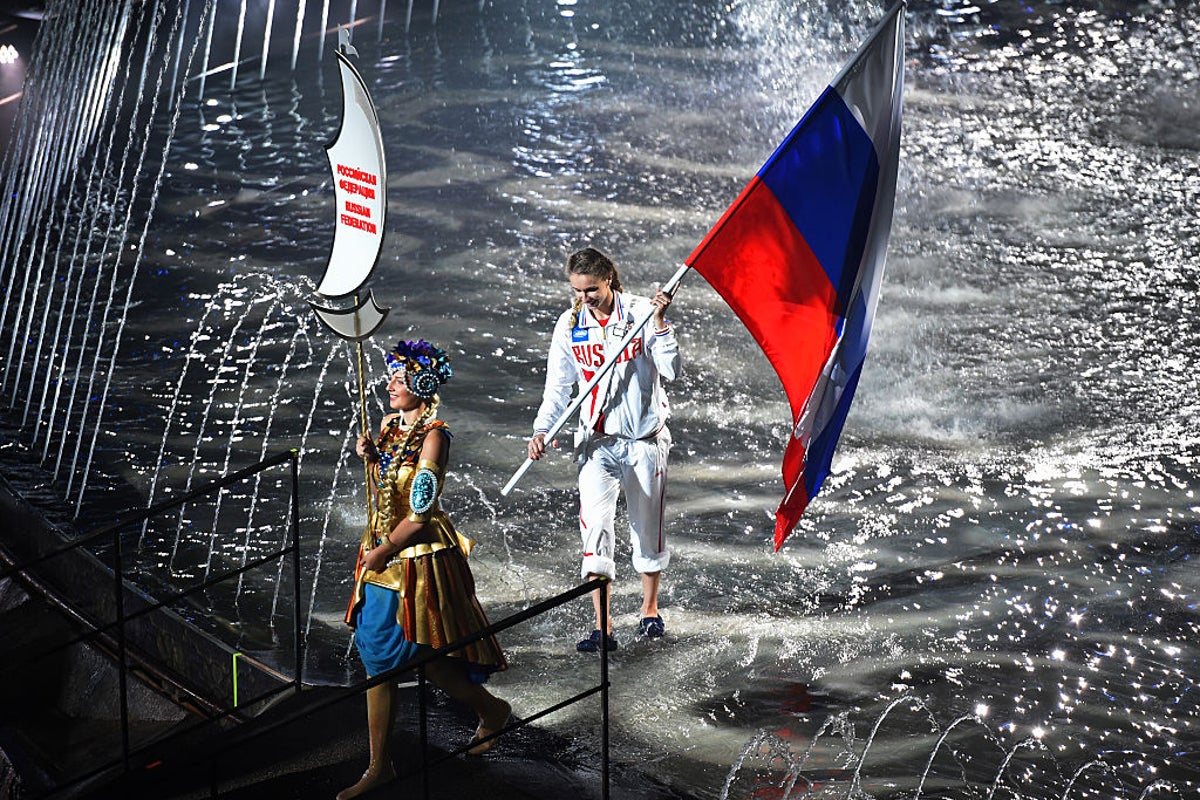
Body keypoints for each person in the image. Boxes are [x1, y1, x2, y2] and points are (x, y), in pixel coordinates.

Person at [339, 338, 511, 800]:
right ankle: (381, 765)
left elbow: (419, 511)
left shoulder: (436, 435)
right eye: (392, 377)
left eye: (400, 378)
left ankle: (488, 712)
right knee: (390, 656)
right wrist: (371, 457)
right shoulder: (389, 426)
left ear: (423, 383)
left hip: (413, 558)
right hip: (379, 550)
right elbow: (389, 486)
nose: (391, 385)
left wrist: (382, 552)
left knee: (420, 654)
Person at [527, 246, 680, 652]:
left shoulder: (641, 312)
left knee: (646, 530)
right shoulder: (570, 323)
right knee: (596, 529)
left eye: (590, 290)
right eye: (576, 291)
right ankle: (603, 626)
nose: (583, 299)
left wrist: (660, 323)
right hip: (596, 444)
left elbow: (671, 369)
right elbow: (558, 388)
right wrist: (543, 430)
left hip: (645, 441)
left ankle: (649, 610)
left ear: (608, 279)